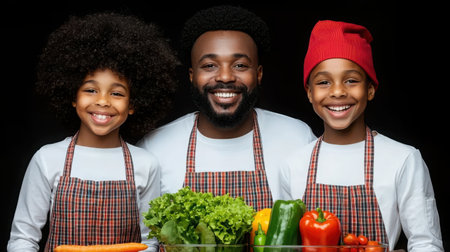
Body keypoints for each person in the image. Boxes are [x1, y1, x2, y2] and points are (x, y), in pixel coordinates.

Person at [7, 12, 179, 251]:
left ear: (132, 105)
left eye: (116, 93)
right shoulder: (47, 159)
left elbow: (149, 242)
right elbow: (23, 239)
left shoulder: (145, 163)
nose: (103, 101)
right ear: (73, 97)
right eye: (90, 90)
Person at [279, 20, 444, 251]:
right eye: (324, 82)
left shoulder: (403, 159)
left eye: (351, 80)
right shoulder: (293, 164)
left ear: (370, 89)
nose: (337, 91)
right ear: (309, 92)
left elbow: (426, 243)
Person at [137, 5, 316, 211]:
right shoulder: (155, 148)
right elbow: (145, 240)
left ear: (258, 74)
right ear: (191, 75)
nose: (225, 77)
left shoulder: (297, 138)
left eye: (239, 65)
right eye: (209, 65)